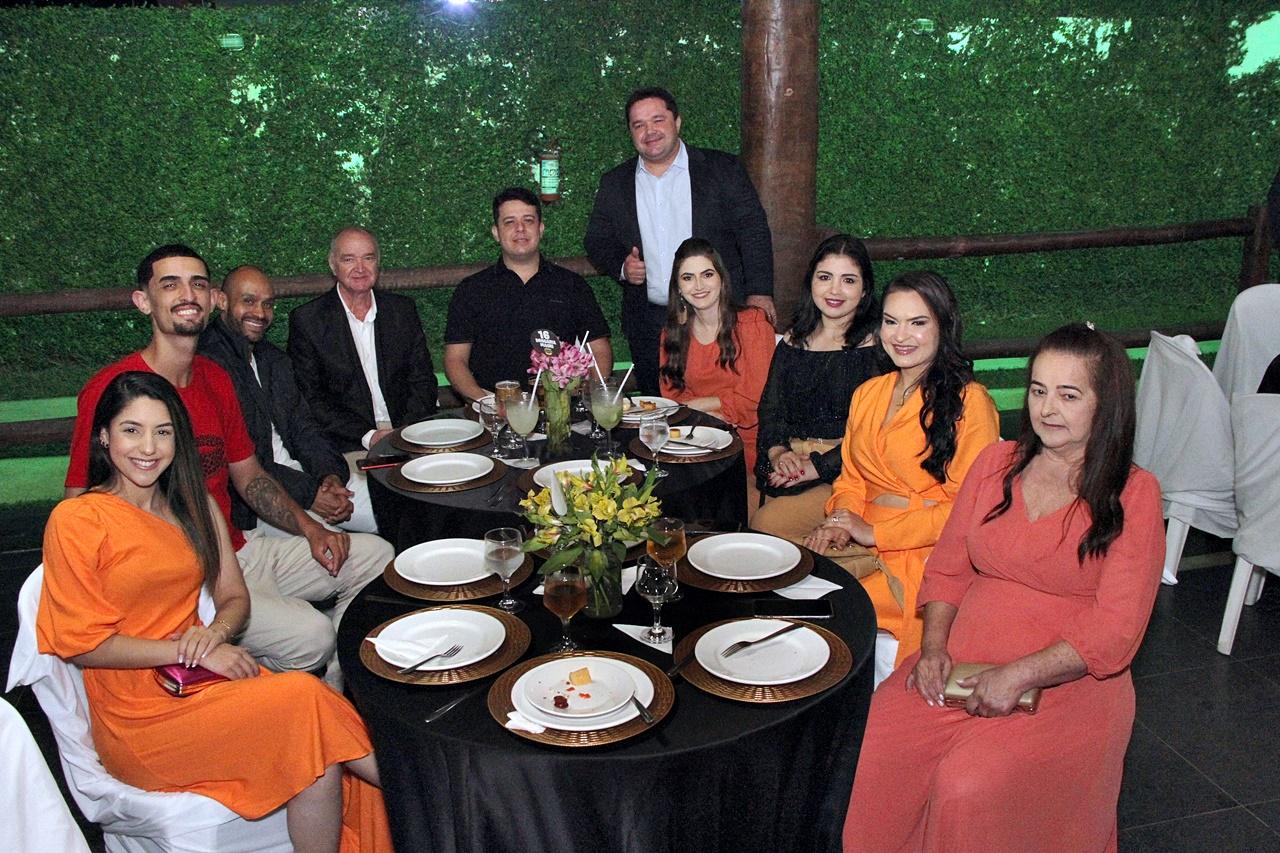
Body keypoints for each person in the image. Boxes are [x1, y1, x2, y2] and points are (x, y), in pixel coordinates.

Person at [843, 324, 1165, 852]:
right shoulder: (995, 465)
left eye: (1068, 395)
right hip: (961, 664)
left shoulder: (1134, 494)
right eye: (1038, 390)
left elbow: (1116, 631)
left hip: (1065, 686)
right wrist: (933, 648)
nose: (1047, 409)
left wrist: (1019, 675)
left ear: (1105, 405)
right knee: (877, 739)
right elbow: (948, 568)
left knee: (967, 783)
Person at [41, 371, 390, 851]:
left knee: (314, 725)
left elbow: (233, 596)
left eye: (163, 432)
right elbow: (82, 645)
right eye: (131, 430)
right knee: (308, 704)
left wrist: (216, 634)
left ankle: (417, 789)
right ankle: (422, 786)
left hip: (201, 682)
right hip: (138, 715)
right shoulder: (77, 519)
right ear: (103, 437)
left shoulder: (195, 505)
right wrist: (192, 652)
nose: (148, 447)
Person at [65, 245, 390, 689]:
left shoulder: (214, 377)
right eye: (170, 284)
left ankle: (334, 679)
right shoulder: (112, 390)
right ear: (143, 301)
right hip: (183, 581)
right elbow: (78, 507)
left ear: (211, 297)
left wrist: (312, 530)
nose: (187, 294)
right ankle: (272, 686)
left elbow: (250, 476)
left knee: (375, 556)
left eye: (197, 284)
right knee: (312, 636)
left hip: (240, 548)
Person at [802, 271, 999, 670]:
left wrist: (876, 533)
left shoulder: (970, 403)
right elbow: (851, 478)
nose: (901, 336)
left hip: (926, 552)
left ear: (944, 326)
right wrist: (841, 521)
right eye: (891, 322)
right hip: (862, 538)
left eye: (917, 322)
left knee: (829, 606)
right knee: (791, 589)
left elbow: (966, 511)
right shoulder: (869, 393)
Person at [585, 86, 775, 394]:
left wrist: (760, 293)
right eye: (639, 124)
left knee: (730, 402)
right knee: (658, 407)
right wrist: (622, 266)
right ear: (631, 133)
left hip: (721, 315)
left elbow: (753, 230)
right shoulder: (615, 183)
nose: (649, 131)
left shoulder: (722, 169)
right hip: (651, 323)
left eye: (657, 120)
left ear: (677, 122)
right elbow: (596, 239)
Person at [199, 264, 379, 534]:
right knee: (348, 545)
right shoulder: (207, 364)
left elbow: (304, 427)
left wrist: (330, 476)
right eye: (248, 301)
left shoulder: (272, 359)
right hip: (256, 503)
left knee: (398, 507)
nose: (260, 313)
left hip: (310, 481)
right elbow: (243, 465)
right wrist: (311, 494)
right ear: (221, 301)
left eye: (268, 304)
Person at [751, 235, 884, 534]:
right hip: (790, 459)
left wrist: (817, 467)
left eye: (848, 280)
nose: (834, 290)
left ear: (865, 289)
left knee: (766, 524)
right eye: (825, 277)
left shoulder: (878, 348)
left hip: (846, 471)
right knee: (729, 506)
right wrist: (778, 453)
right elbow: (771, 411)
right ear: (811, 281)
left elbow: (874, 434)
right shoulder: (793, 340)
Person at [445, 187, 612, 402]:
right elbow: (455, 360)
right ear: (496, 232)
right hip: (492, 407)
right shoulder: (471, 290)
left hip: (561, 408)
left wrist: (590, 395)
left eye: (528, 220)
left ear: (540, 229)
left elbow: (599, 350)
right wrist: (486, 403)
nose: (520, 228)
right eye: (509, 222)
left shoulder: (573, 285)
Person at [289, 226, 439, 453]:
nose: (360, 268)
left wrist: (404, 433)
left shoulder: (402, 310)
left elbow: (423, 380)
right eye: (349, 259)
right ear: (333, 265)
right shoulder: (308, 321)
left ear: (378, 263)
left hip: (409, 431)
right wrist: (369, 436)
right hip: (349, 441)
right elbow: (311, 397)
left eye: (368, 258)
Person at [658, 237, 775, 495]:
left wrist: (699, 407)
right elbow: (672, 398)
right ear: (678, 287)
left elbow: (754, 399)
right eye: (688, 278)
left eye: (707, 274)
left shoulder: (753, 323)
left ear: (722, 278)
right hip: (693, 442)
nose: (699, 285)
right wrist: (709, 415)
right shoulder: (672, 334)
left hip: (747, 446)